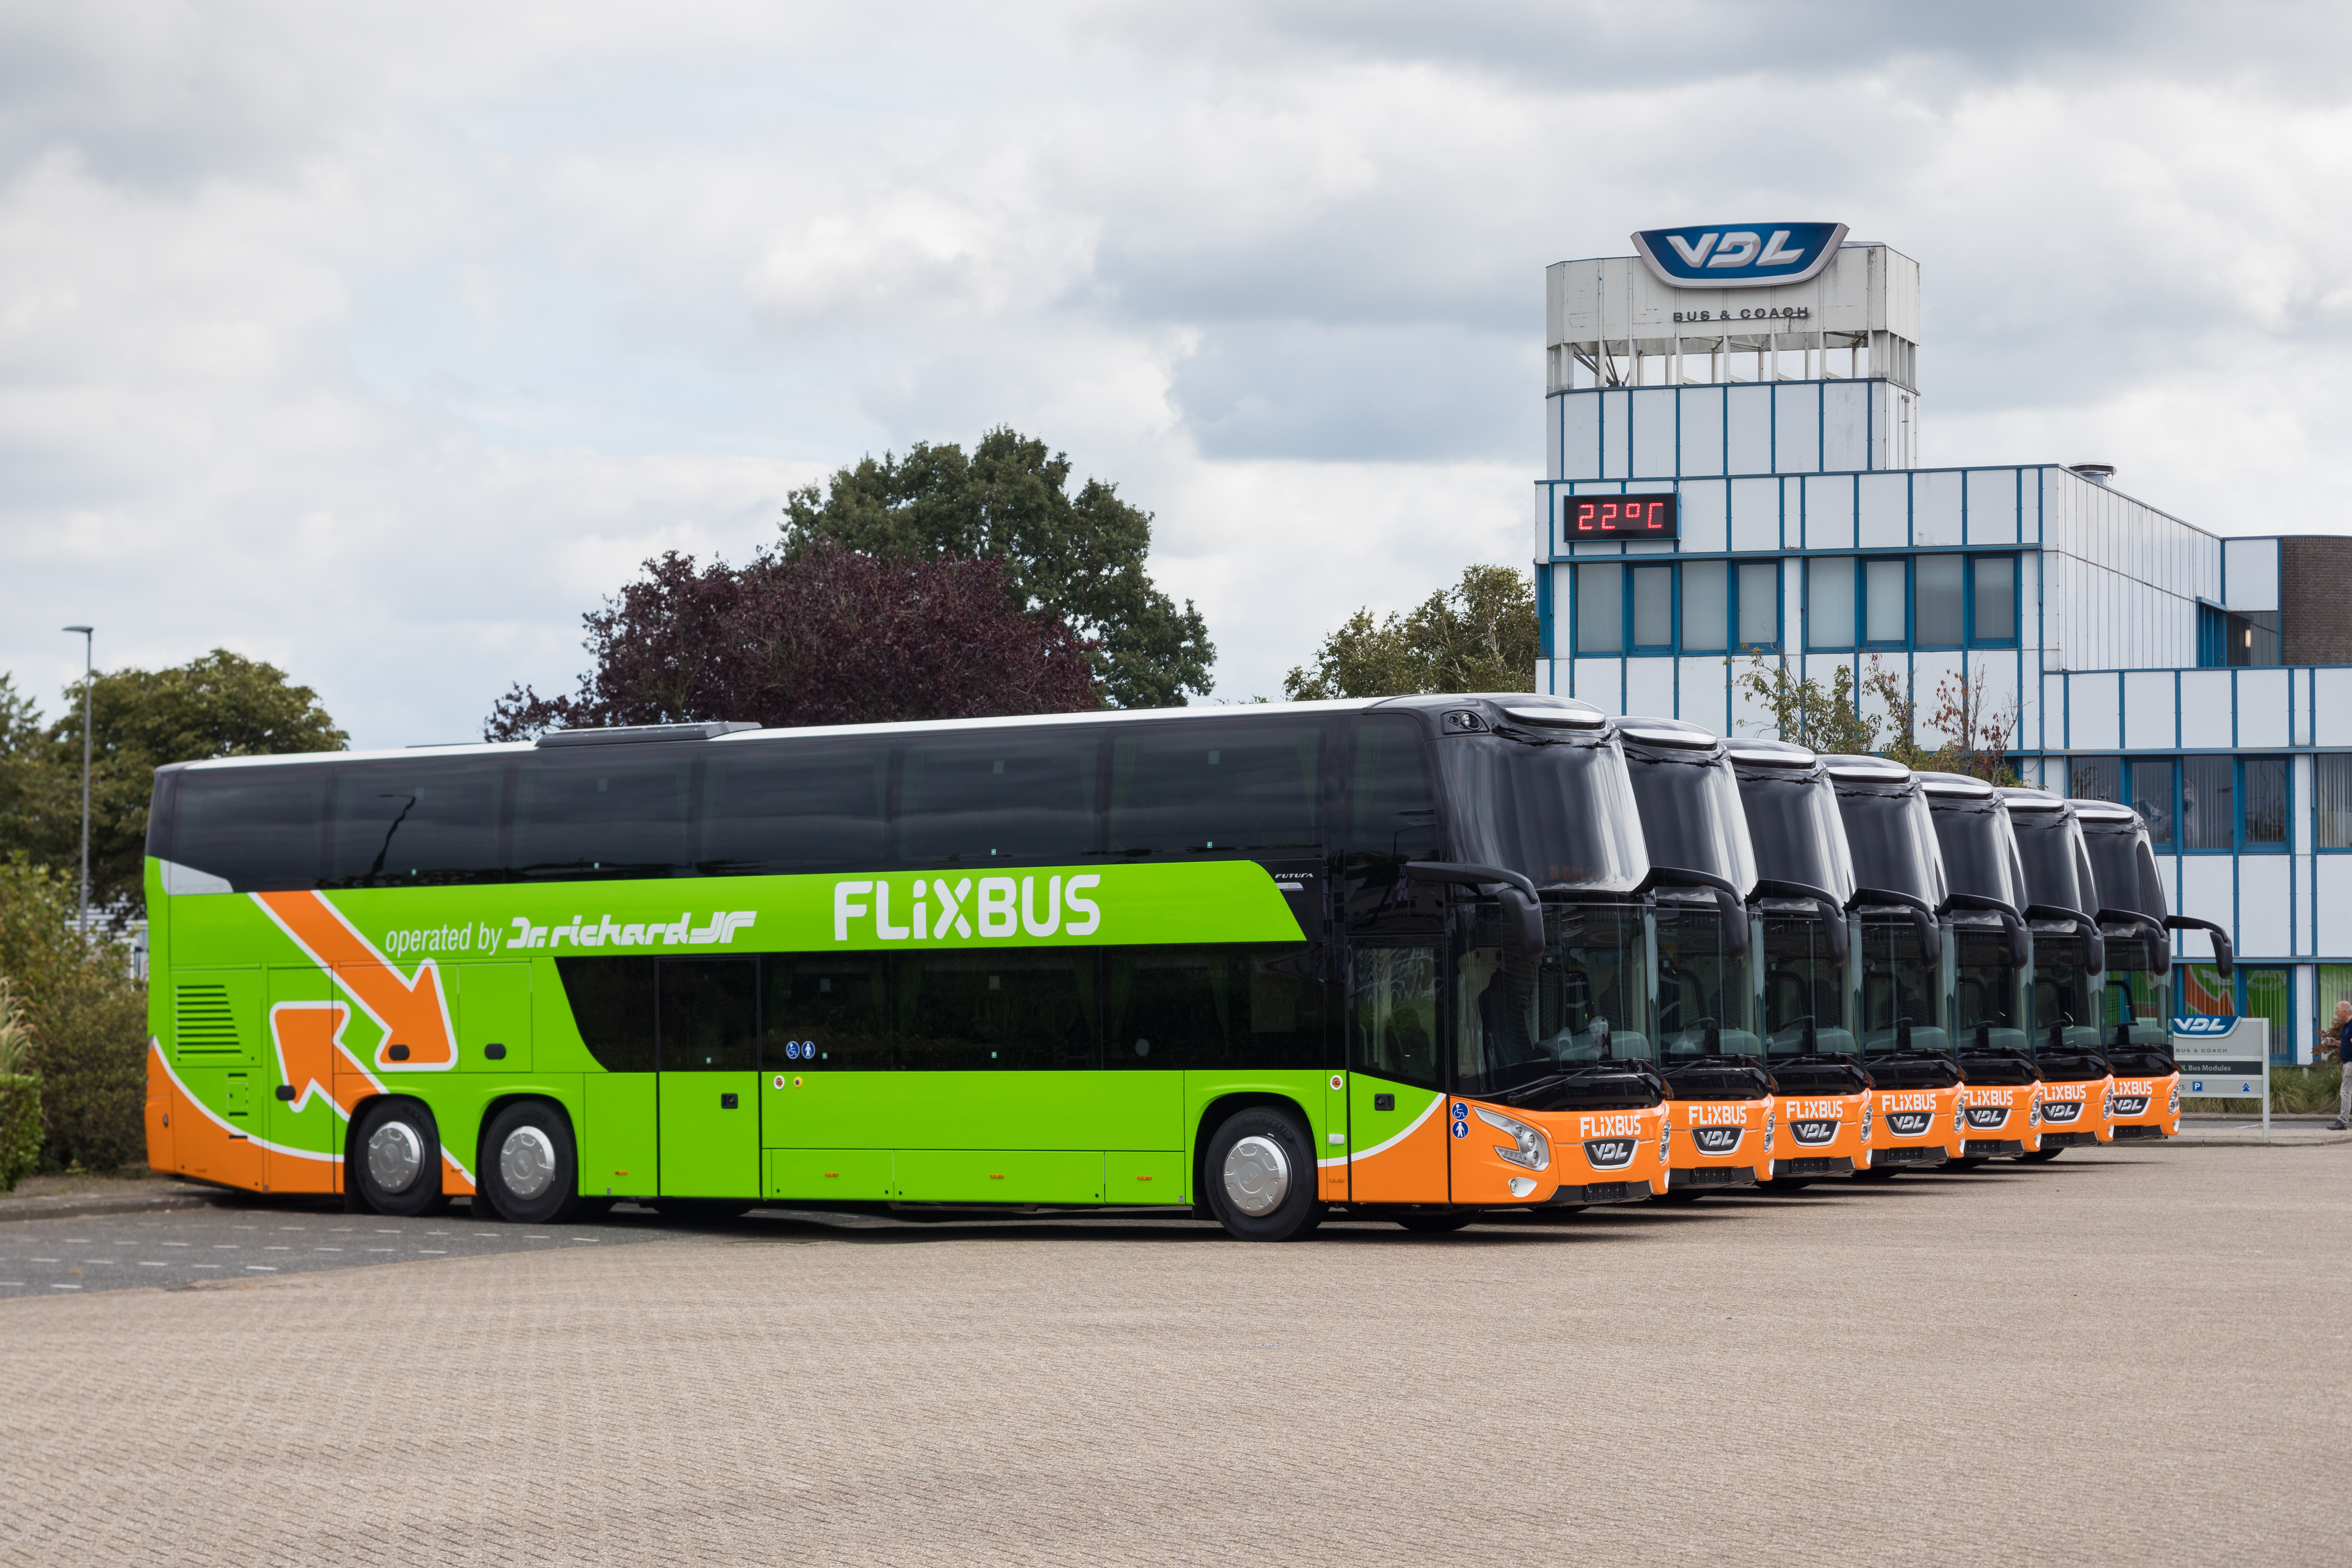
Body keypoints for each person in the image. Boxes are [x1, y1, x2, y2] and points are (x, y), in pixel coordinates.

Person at [2331, 1000, 2352, 1132]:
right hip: (2347, 1063)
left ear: (2344, 1012)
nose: (2336, 1013)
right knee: (2347, 1092)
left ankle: (2343, 1122)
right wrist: (2336, 1043)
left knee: (2345, 1092)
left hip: (2350, 1063)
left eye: (2337, 1010)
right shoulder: (2347, 1026)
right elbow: (2348, 1044)